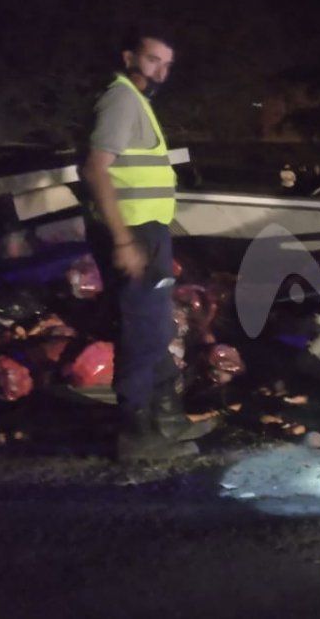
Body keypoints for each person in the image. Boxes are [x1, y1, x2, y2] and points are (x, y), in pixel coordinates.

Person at [79, 29, 218, 461]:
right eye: (153, 59)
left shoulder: (136, 102)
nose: (161, 72)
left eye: (167, 64)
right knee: (142, 330)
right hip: (132, 232)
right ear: (128, 57)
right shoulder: (121, 99)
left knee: (156, 327)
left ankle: (167, 418)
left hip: (146, 232)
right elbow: (95, 168)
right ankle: (136, 434)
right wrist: (122, 239)